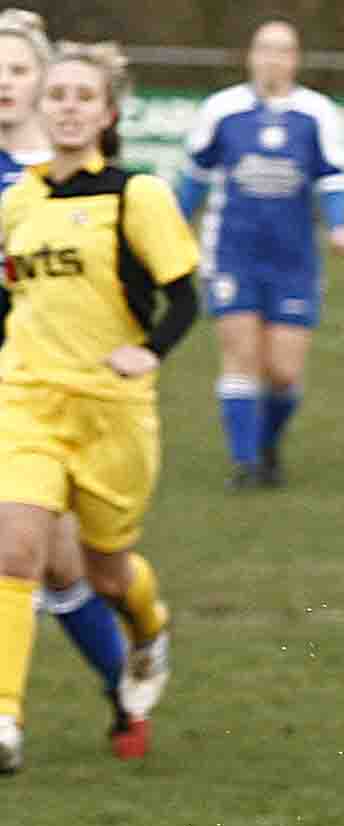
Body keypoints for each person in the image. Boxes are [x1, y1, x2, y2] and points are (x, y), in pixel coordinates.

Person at [0, 40, 196, 776]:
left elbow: (183, 295)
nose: (69, 107)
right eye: (58, 95)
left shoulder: (135, 195)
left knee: (107, 574)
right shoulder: (17, 200)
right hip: (25, 400)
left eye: (85, 97)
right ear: (42, 110)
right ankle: (6, 718)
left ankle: (148, 625)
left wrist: (150, 351)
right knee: (13, 549)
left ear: (108, 113)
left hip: (111, 412)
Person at [0, 9, 144, 758]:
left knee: (61, 562)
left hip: (50, 391)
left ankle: (126, 681)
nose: (3, 81)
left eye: (18, 69)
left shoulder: (67, 177)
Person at [174, 16, 344, 491]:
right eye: (264, 48)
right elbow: (194, 176)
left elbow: (332, 178)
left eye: (283, 50)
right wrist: (172, 225)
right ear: (250, 56)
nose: (272, 58)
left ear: (295, 59)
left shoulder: (318, 114)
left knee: (284, 371)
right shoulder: (222, 110)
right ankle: (246, 463)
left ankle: (268, 442)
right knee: (241, 356)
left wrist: (339, 225)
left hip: (294, 258)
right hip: (233, 253)